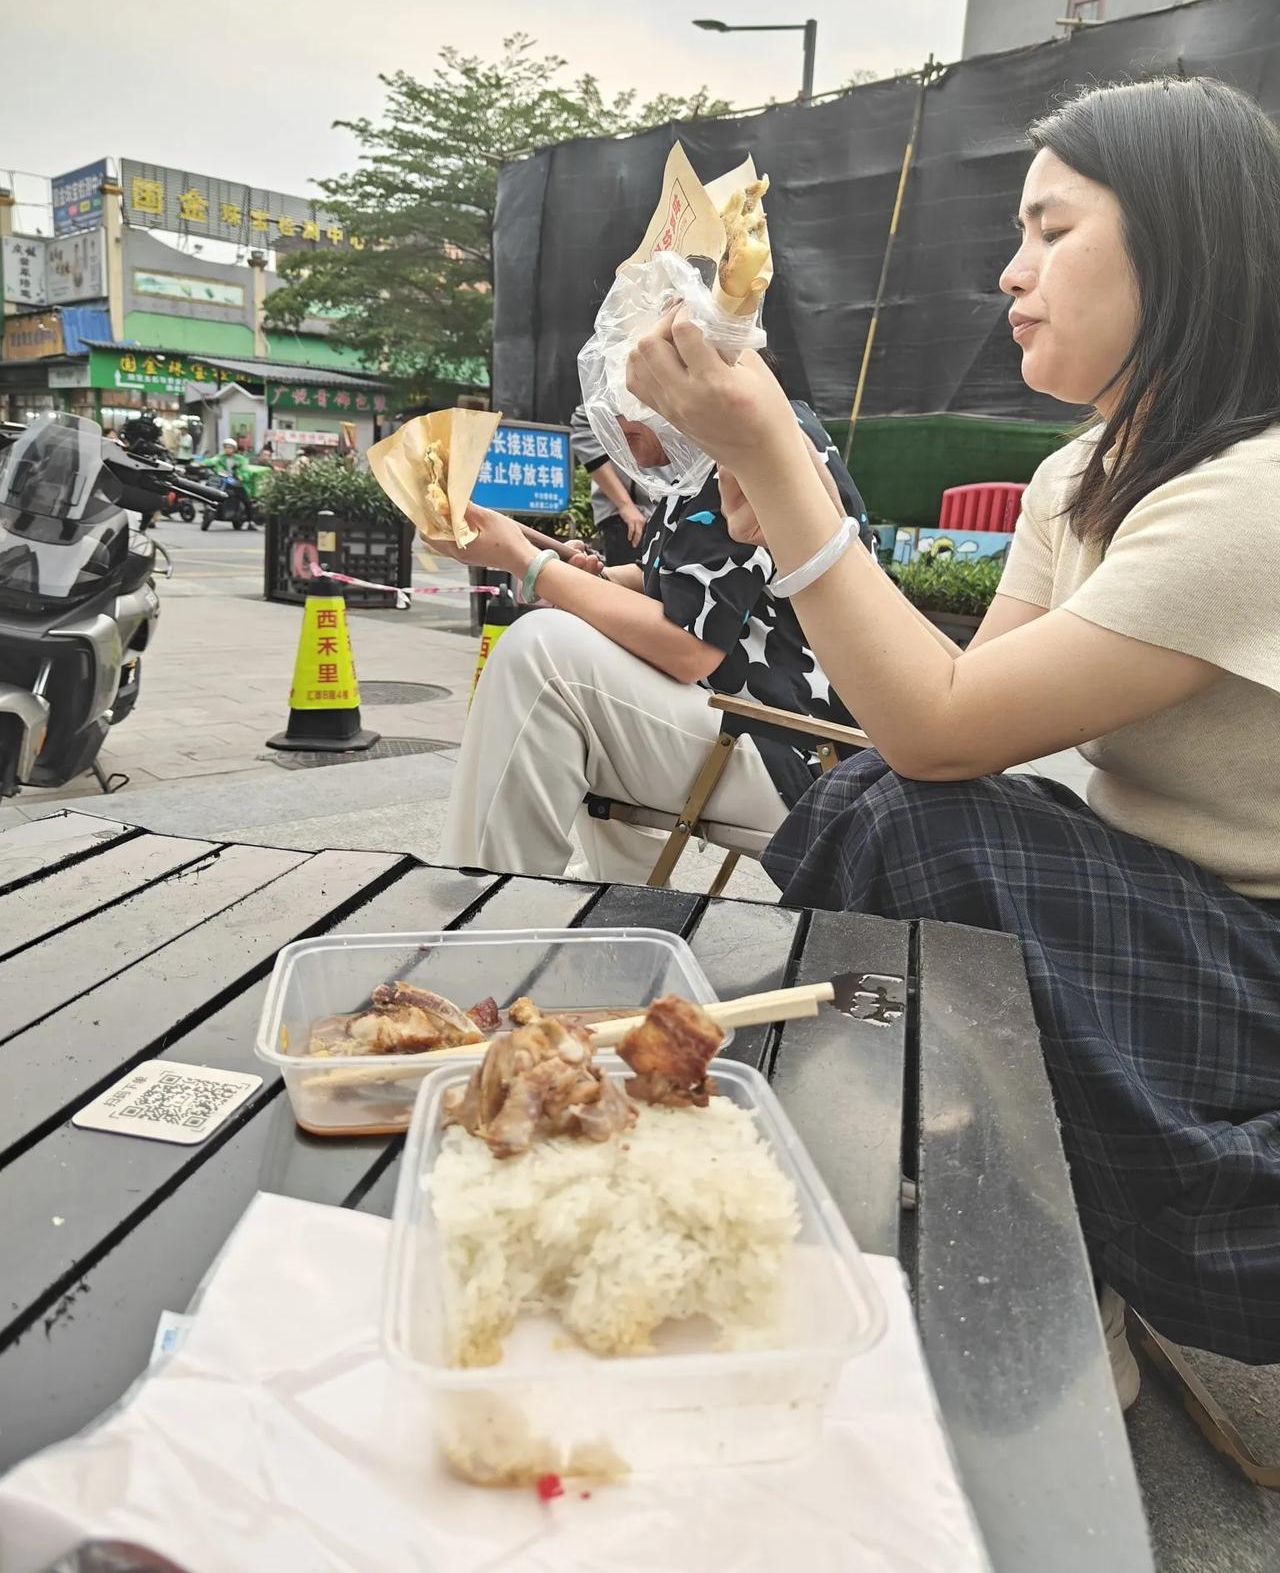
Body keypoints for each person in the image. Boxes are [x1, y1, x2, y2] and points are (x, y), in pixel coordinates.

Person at [625, 75, 1280, 1393]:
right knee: (889, 804)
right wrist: (777, 484)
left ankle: (931, 1211)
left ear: (1183, 239)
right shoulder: (1078, 476)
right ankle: (908, 1199)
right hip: (1175, 922)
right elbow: (955, 716)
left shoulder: (1252, 494)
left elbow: (937, 734)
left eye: (1053, 229)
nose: (1009, 271)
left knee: (913, 816)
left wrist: (780, 461)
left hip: (1252, 973)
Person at [434, 404, 873, 884]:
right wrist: (590, 575)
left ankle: (487, 905)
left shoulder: (739, 443)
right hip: (789, 736)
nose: (615, 418)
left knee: (542, 657)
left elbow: (689, 647)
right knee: (586, 651)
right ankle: (613, 895)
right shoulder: (728, 438)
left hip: (800, 754)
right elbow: (673, 583)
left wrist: (527, 563)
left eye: (627, 393)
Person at [568, 402, 656, 566]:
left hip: (674, 510)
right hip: (633, 517)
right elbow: (585, 420)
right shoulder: (619, 388)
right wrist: (625, 505)